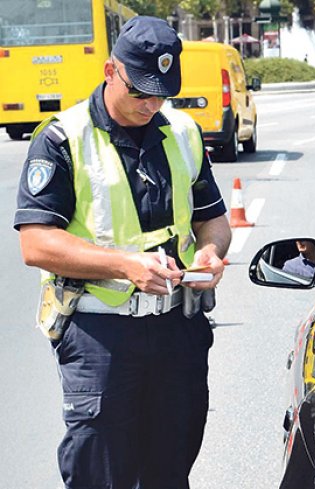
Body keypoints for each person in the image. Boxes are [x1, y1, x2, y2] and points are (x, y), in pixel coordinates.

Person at [14, 16, 231, 489]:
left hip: (176, 329)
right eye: (140, 92)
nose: (151, 104)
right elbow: (35, 242)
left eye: (162, 94)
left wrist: (211, 253)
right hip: (101, 335)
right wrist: (125, 265)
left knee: (170, 471)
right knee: (100, 475)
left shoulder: (182, 132)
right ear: (111, 70)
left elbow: (211, 218)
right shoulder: (61, 137)